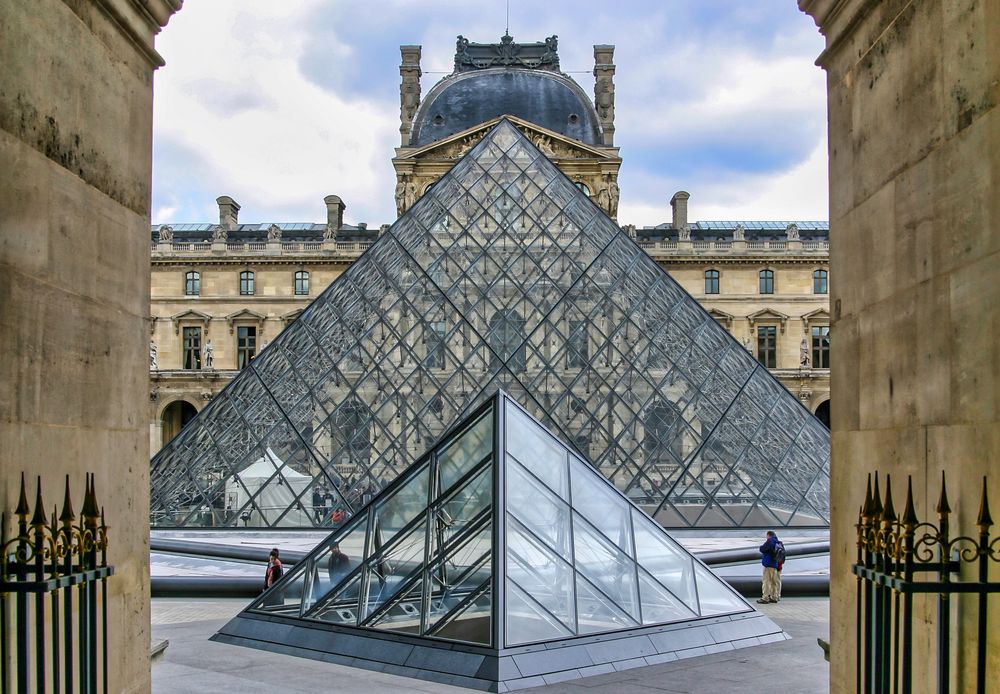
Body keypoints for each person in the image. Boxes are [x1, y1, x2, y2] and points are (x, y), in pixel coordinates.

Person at [757, 531, 782, 604]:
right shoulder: (778, 542)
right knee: (774, 582)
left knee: (766, 581)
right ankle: (774, 597)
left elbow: (762, 549)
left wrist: (761, 547)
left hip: (768, 564)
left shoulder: (769, 541)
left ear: (768, 535)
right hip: (775, 565)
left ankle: (765, 598)